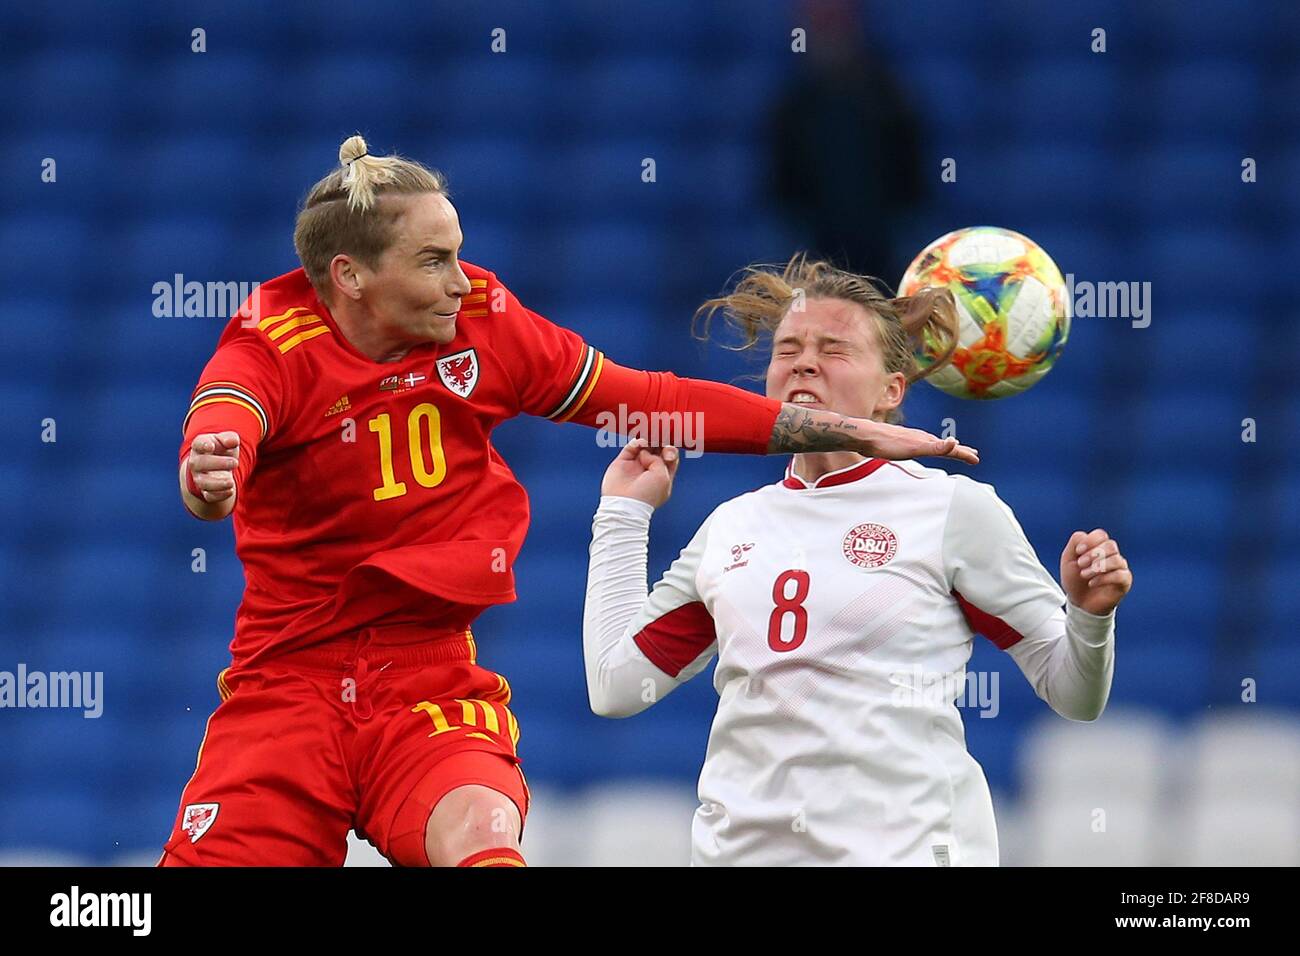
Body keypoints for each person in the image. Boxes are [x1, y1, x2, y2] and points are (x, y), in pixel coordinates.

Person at [161, 137, 978, 868]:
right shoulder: (272, 339)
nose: (462, 279)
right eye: (434, 260)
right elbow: (227, 418)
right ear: (352, 277)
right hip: (290, 684)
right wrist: (210, 472)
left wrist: (834, 428)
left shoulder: (485, 321)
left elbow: (648, 398)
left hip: (429, 680)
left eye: (459, 253)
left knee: (482, 833)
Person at [582, 255, 1130, 866]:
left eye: (834, 349)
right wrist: (624, 515)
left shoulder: (950, 509)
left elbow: (1075, 695)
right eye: (788, 349)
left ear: (891, 390)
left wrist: (1088, 617)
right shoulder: (731, 527)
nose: (804, 361)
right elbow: (617, 686)